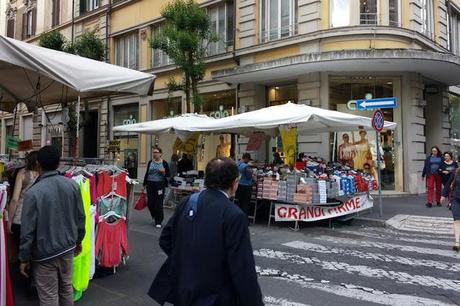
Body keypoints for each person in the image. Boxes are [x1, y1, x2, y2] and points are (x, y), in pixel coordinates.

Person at [148, 157, 264, 306]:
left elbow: (165, 239)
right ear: (235, 183)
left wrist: (187, 261)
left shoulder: (187, 202)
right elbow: (242, 269)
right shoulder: (234, 215)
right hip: (215, 295)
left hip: (183, 289)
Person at [19, 145, 85, 306]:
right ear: (58, 163)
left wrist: (24, 258)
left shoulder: (32, 193)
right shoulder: (73, 186)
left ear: (38, 165)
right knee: (66, 288)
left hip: (44, 254)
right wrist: (78, 241)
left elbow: (27, 230)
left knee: (49, 296)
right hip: (67, 247)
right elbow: (80, 218)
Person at [8, 151, 39, 251]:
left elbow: (14, 200)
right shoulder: (44, 175)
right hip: (37, 221)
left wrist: (9, 222)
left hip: (20, 220)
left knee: (20, 253)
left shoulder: (22, 173)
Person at [143, 147, 170, 228]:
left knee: (158, 203)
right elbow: (147, 173)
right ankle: (154, 215)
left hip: (160, 185)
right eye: (153, 152)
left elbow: (168, 175)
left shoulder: (164, 163)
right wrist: (144, 185)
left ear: (160, 154)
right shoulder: (150, 162)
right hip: (150, 184)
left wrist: (164, 172)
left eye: (156, 152)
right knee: (150, 203)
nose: (154, 154)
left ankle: (158, 221)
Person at [441, 167, 460, 252]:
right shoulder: (455, 172)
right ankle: (457, 242)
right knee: (457, 220)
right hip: (456, 200)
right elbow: (448, 184)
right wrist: (443, 195)